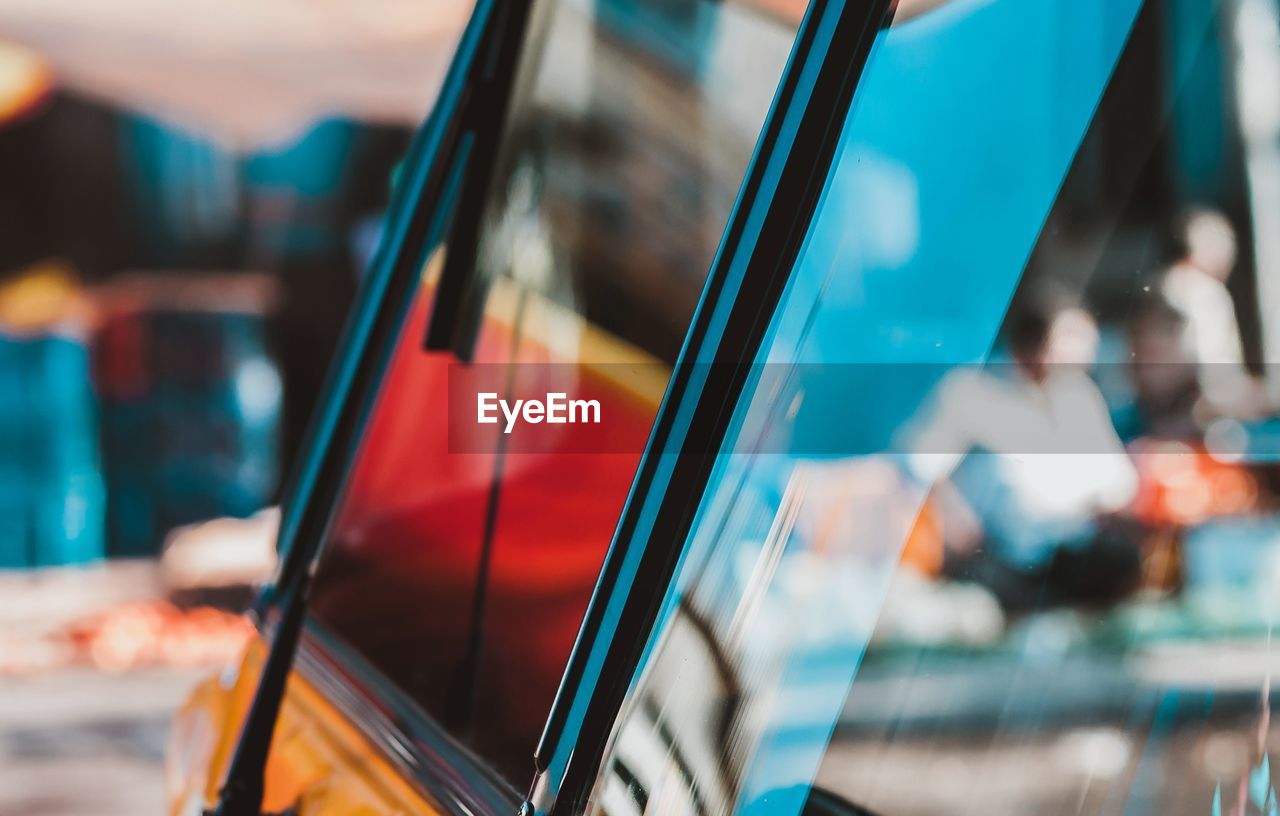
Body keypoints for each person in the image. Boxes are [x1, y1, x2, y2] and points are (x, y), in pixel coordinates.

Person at [902, 294, 1142, 611]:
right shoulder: (971, 390)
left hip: (1069, 547)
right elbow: (920, 465)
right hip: (994, 552)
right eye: (1072, 340)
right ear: (1032, 342)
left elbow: (1118, 480)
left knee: (1122, 562)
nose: (1084, 354)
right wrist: (958, 523)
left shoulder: (1079, 395)